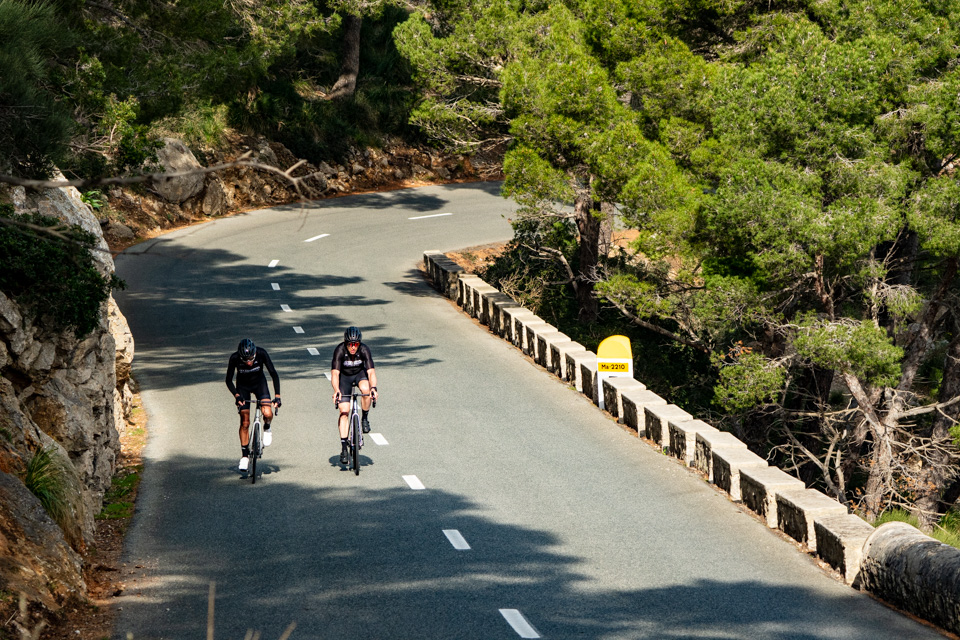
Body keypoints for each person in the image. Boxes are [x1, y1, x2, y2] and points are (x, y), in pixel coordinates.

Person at [226, 338, 281, 472]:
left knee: (267, 412)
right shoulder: (234, 358)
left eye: (251, 359)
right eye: (246, 360)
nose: (249, 362)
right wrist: (236, 395)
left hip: (259, 385)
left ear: (255, 353)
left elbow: (274, 374)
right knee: (245, 422)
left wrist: (277, 396)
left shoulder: (261, 353)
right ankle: (244, 456)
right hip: (243, 387)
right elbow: (228, 380)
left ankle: (267, 427)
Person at [330, 326, 378, 465]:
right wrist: (336, 390)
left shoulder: (364, 350)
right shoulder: (340, 350)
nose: (353, 347)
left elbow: (371, 372)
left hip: (359, 374)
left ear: (359, 343)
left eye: (356, 344)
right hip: (344, 378)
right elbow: (335, 374)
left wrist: (373, 388)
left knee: (366, 390)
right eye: (350, 344)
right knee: (344, 411)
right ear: (346, 343)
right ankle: (344, 448)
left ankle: (364, 418)